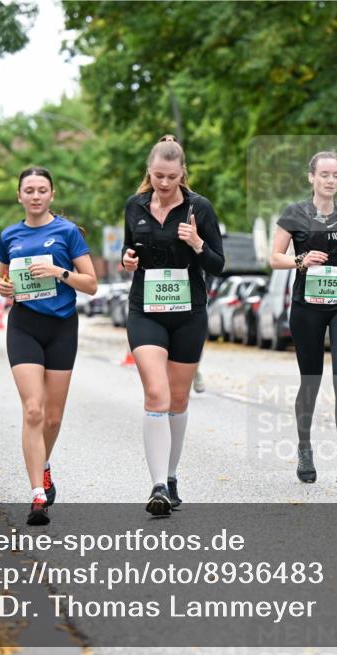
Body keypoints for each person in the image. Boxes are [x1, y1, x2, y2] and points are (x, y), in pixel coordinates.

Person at [121, 135, 225, 516]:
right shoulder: (135, 206)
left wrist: (198, 243)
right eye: (158, 176)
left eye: (171, 177)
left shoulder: (200, 208)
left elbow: (218, 264)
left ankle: (172, 473)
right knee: (156, 393)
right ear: (149, 173)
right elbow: (129, 249)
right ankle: (158, 485)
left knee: (178, 400)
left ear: (183, 174)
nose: (164, 184)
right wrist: (127, 260)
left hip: (188, 312)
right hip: (145, 309)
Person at [0, 167, 97, 526]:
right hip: (24, 326)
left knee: (53, 417)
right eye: (29, 190)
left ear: (51, 195)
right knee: (34, 410)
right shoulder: (10, 235)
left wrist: (59, 273)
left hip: (61, 328)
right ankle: (38, 494)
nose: (35, 196)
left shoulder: (67, 233)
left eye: (42, 190)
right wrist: (2, 287)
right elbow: (2, 277)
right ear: (19, 196)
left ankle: (45, 463)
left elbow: (91, 284)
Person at [269, 150, 337, 485]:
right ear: (311, 177)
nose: (331, 180)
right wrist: (300, 260)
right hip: (307, 305)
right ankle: (304, 449)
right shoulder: (295, 213)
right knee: (310, 380)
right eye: (325, 174)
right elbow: (274, 258)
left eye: (336, 175)